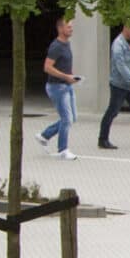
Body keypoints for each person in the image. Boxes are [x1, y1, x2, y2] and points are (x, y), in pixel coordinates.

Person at [42, 15, 77, 157]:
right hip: (57, 87)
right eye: (68, 26)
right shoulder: (56, 46)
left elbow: (64, 65)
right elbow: (47, 67)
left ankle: (45, 135)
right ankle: (63, 150)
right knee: (66, 119)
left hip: (66, 85)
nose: (71, 29)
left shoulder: (67, 44)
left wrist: (71, 76)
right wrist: (65, 77)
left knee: (72, 118)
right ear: (60, 28)